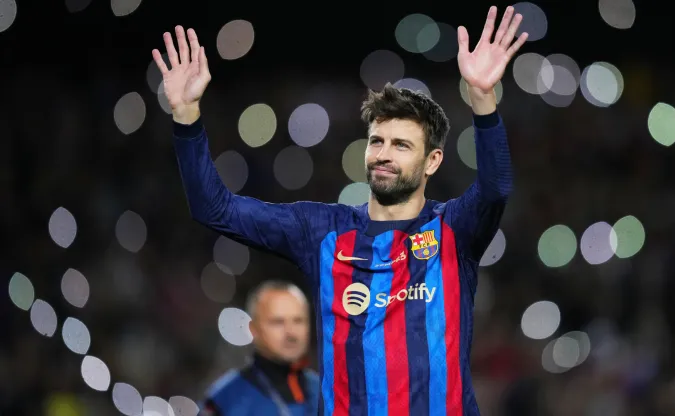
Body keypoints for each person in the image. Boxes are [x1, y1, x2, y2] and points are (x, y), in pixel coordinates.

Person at [154, 5, 527, 415]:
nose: (383, 155)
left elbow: (496, 189)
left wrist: (482, 98)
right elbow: (215, 209)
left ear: (433, 162)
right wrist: (186, 116)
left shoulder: (453, 229)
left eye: (401, 145)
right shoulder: (321, 230)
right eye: (377, 141)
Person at [199, 281, 319, 416]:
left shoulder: (331, 393)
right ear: (253, 329)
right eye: (278, 322)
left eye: (298, 321)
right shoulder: (225, 400)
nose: (291, 332)